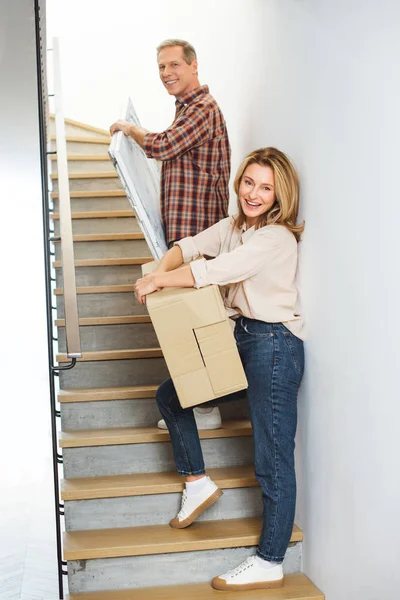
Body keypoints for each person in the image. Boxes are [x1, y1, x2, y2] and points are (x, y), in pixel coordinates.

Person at [134, 147, 305, 591]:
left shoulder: (277, 238)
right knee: (172, 395)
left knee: (271, 458)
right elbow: (186, 248)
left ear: (279, 195)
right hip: (241, 335)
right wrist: (158, 268)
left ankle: (271, 560)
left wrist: (156, 281)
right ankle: (197, 482)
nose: (253, 193)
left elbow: (213, 270)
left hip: (274, 345)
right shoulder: (234, 226)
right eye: (249, 182)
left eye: (265, 187)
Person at [110, 38, 231, 431]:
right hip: (186, 235)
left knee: (196, 321)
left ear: (194, 66)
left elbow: (163, 146)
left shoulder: (202, 108)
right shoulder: (186, 110)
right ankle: (201, 404)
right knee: (187, 320)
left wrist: (130, 129)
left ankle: (207, 408)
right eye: (161, 67)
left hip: (199, 234)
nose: (166, 73)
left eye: (174, 65)